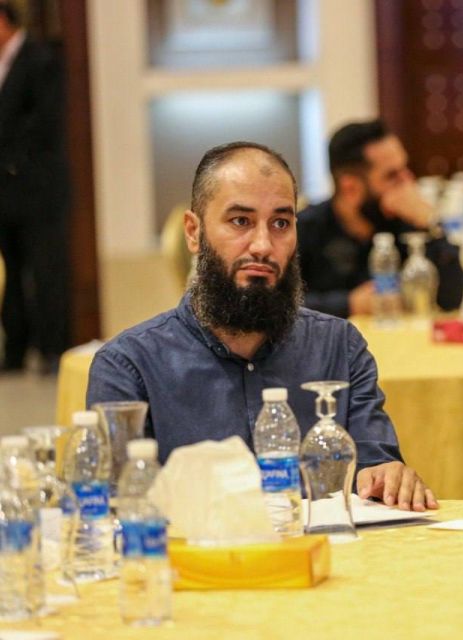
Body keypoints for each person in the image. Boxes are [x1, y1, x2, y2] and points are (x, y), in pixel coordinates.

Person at [86, 142, 436, 511]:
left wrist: (390, 478)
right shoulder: (129, 367)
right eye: (241, 221)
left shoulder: (339, 348)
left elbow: (376, 472)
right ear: (193, 232)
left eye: (281, 223)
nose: (263, 245)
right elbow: (116, 514)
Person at [297, 120, 463, 318]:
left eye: (405, 169)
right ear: (351, 188)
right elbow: (279, 305)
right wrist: (348, 304)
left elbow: (453, 299)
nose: (408, 183)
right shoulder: (304, 229)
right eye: (392, 176)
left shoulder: (406, 221)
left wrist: (431, 225)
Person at [0, 1, 70, 373]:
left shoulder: (41, 58)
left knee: (46, 269)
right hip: (5, 189)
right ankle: (15, 348)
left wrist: (12, 153)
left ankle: (52, 348)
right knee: (11, 271)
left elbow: (44, 121)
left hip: (37, 186)